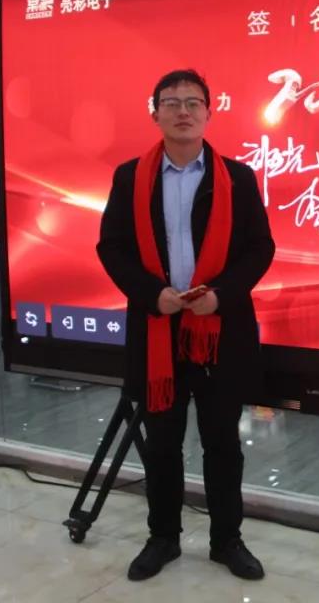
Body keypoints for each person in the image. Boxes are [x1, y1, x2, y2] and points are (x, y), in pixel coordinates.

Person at [97, 69, 275, 582]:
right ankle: (163, 537)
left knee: (222, 443)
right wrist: (152, 295)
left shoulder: (237, 178)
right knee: (161, 444)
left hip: (219, 332)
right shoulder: (130, 178)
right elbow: (112, 247)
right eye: (171, 102)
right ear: (155, 113)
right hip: (157, 330)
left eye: (192, 102)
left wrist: (219, 296)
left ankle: (227, 540)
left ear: (209, 113)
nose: (182, 111)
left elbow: (259, 249)